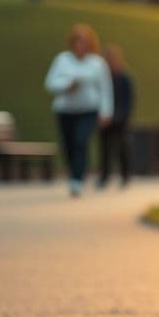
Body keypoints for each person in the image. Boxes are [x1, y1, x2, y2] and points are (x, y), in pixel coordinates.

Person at [44, 24, 113, 196]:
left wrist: (106, 112)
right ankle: (74, 173)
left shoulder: (97, 64)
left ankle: (77, 179)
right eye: (78, 42)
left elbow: (105, 89)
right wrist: (67, 86)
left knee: (80, 141)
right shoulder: (62, 60)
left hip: (88, 110)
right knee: (69, 145)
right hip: (66, 110)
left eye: (84, 42)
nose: (81, 46)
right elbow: (50, 83)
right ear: (72, 43)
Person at [98, 44, 135, 188]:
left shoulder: (125, 78)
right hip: (105, 120)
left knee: (122, 149)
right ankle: (104, 177)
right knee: (105, 150)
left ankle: (125, 176)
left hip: (120, 121)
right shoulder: (103, 79)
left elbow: (128, 100)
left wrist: (119, 117)